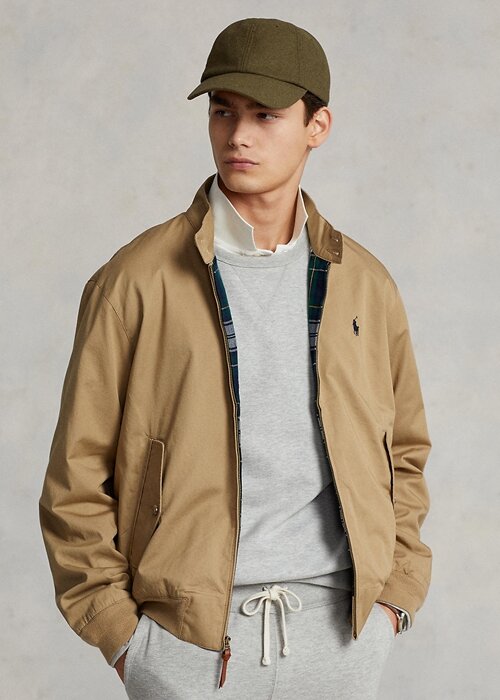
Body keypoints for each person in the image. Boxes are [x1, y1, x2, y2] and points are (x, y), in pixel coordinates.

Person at [39, 17, 432, 699]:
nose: (237, 135)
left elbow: (404, 451)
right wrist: (125, 638)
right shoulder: (135, 282)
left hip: (342, 635)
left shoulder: (364, 285)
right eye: (223, 111)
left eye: (265, 115)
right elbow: (76, 475)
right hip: (187, 642)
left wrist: (394, 598)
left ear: (317, 126)